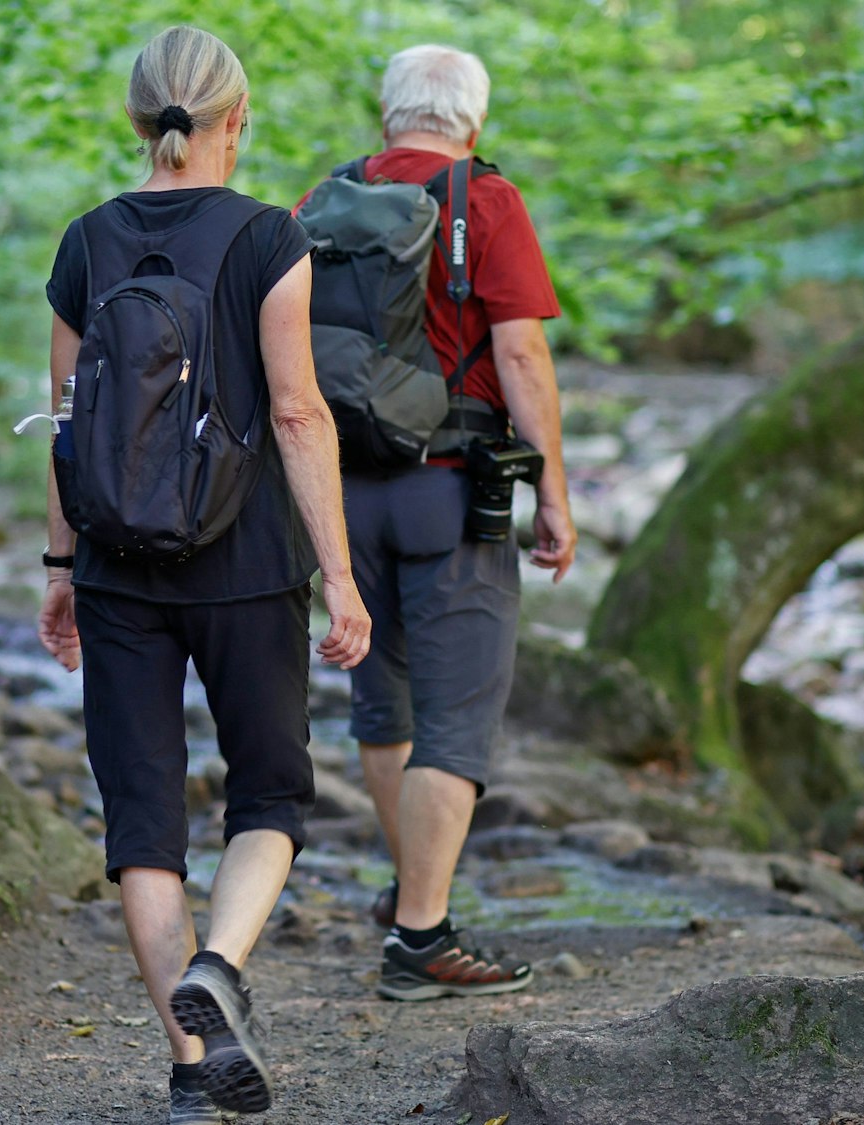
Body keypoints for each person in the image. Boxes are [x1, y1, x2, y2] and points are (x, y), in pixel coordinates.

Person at [35, 26, 371, 1123]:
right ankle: (218, 967)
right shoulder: (270, 238)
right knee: (269, 792)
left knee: (143, 820)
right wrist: (340, 575)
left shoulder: (85, 244)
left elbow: (69, 428)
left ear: (140, 120)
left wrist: (58, 566)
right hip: (249, 564)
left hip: (118, 570)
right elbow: (294, 412)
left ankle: (189, 1072)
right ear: (238, 121)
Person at [317, 44, 575, 1001]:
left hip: (341, 492)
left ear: (390, 114)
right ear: (472, 118)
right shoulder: (486, 200)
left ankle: (411, 895)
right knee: (458, 718)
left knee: (384, 708)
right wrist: (553, 490)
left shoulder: (328, 197)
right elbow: (522, 356)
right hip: (449, 488)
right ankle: (422, 937)